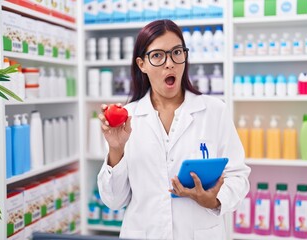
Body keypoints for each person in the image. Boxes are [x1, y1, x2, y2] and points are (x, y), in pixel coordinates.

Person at [97, 19, 251, 240]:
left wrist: (214, 200)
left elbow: (238, 176)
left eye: (177, 52)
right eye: (158, 56)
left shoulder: (214, 111)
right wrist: (116, 149)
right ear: (142, 64)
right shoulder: (126, 119)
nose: (170, 63)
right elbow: (113, 200)